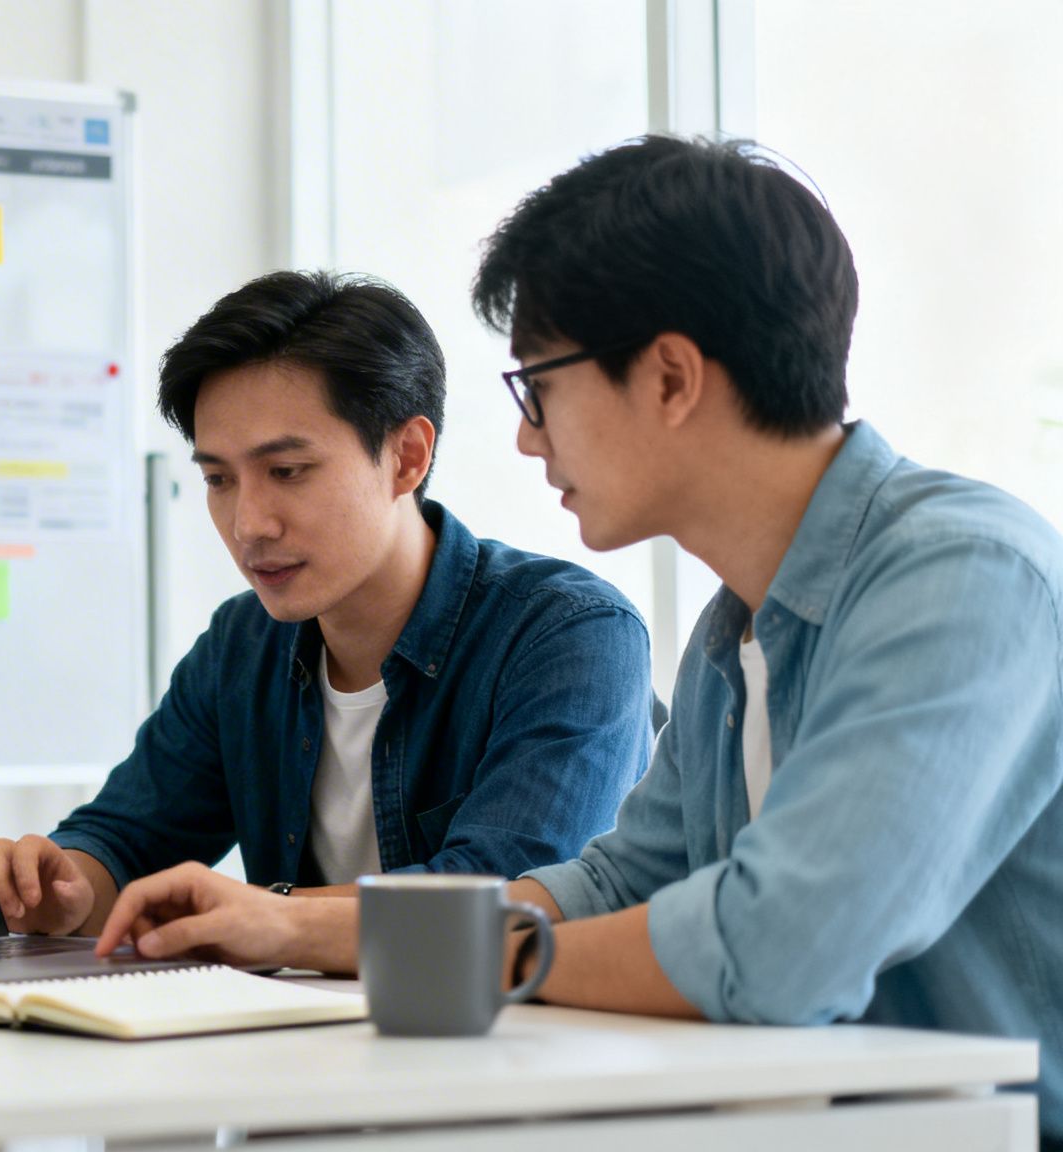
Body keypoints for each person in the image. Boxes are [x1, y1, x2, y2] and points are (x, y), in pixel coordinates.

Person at [93, 138, 1063, 1149]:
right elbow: (608, 884)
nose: (524, 436)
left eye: (538, 388)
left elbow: (779, 946)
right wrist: (288, 926)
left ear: (670, 378)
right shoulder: (735, 633)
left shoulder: (961, 578)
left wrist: (492, 957)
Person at [0, 270, 653, 937]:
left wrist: (270, 916)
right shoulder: (242, 645)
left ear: (407, 457)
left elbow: (510, 896)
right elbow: (125, 843)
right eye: (218, 479)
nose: (249, 524)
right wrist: (65, 885)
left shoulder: (570, 634)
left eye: (287, 472)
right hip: (314, 1034)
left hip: (515, 1037)